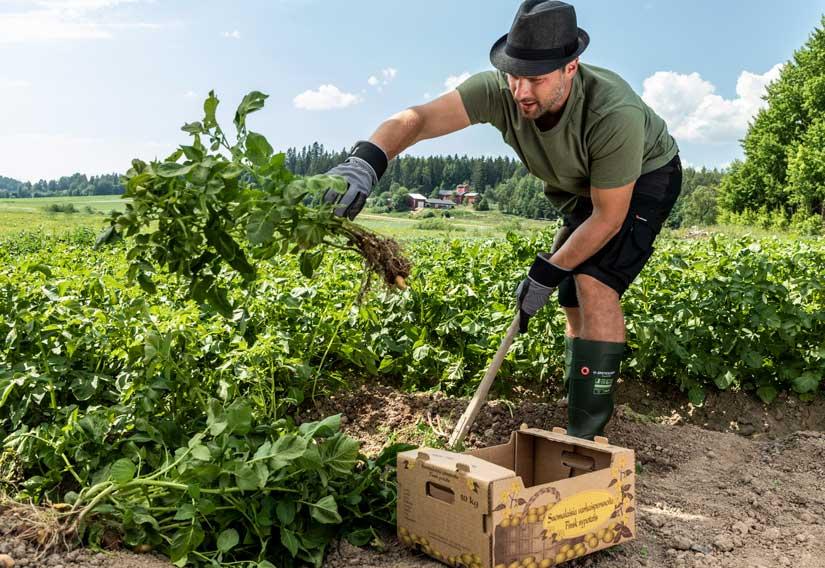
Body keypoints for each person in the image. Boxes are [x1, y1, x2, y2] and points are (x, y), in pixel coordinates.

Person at [322, 0, 681, 440]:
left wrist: (546, 270)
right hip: (580, 187)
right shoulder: (498, 92)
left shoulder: (612, 113)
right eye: (515, 76)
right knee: (570, 293)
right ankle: (581, 394)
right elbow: (419, 119)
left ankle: (588, 435)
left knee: (593, 281)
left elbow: (607, 218)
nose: (522, 91)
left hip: (643, 177)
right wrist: (368, 160)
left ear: (571, 68)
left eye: (536, 78)